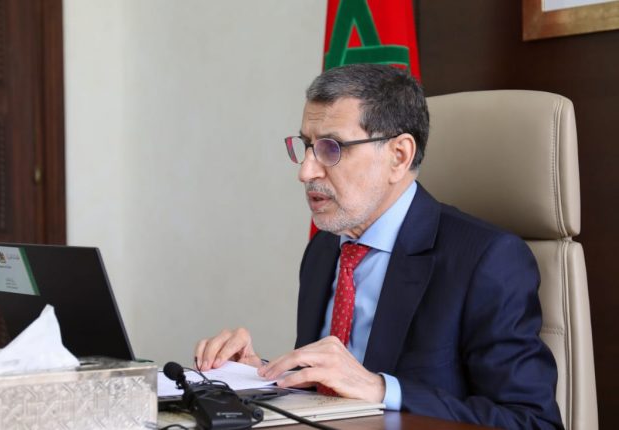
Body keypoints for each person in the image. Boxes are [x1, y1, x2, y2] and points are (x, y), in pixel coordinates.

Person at [194, 63, 563, 429]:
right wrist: (260, 377)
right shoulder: (324, 250)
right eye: (307, 146)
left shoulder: (487, 260)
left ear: (398, 156)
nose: (305, 172)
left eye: (331, 148)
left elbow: (532, 422)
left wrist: (381, 389)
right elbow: (330, 392)